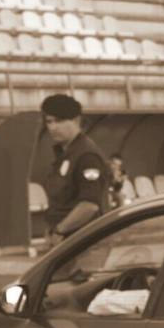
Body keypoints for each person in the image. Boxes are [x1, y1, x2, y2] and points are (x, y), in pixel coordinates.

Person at [39, 93, 108, 249]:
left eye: (60, 121)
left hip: (85, 243)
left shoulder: (86, 156)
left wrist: (59, 230)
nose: (52, 127)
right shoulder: (65, 155)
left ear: (76, 120)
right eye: (49, 121)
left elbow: (90, 205)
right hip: (67, 241)